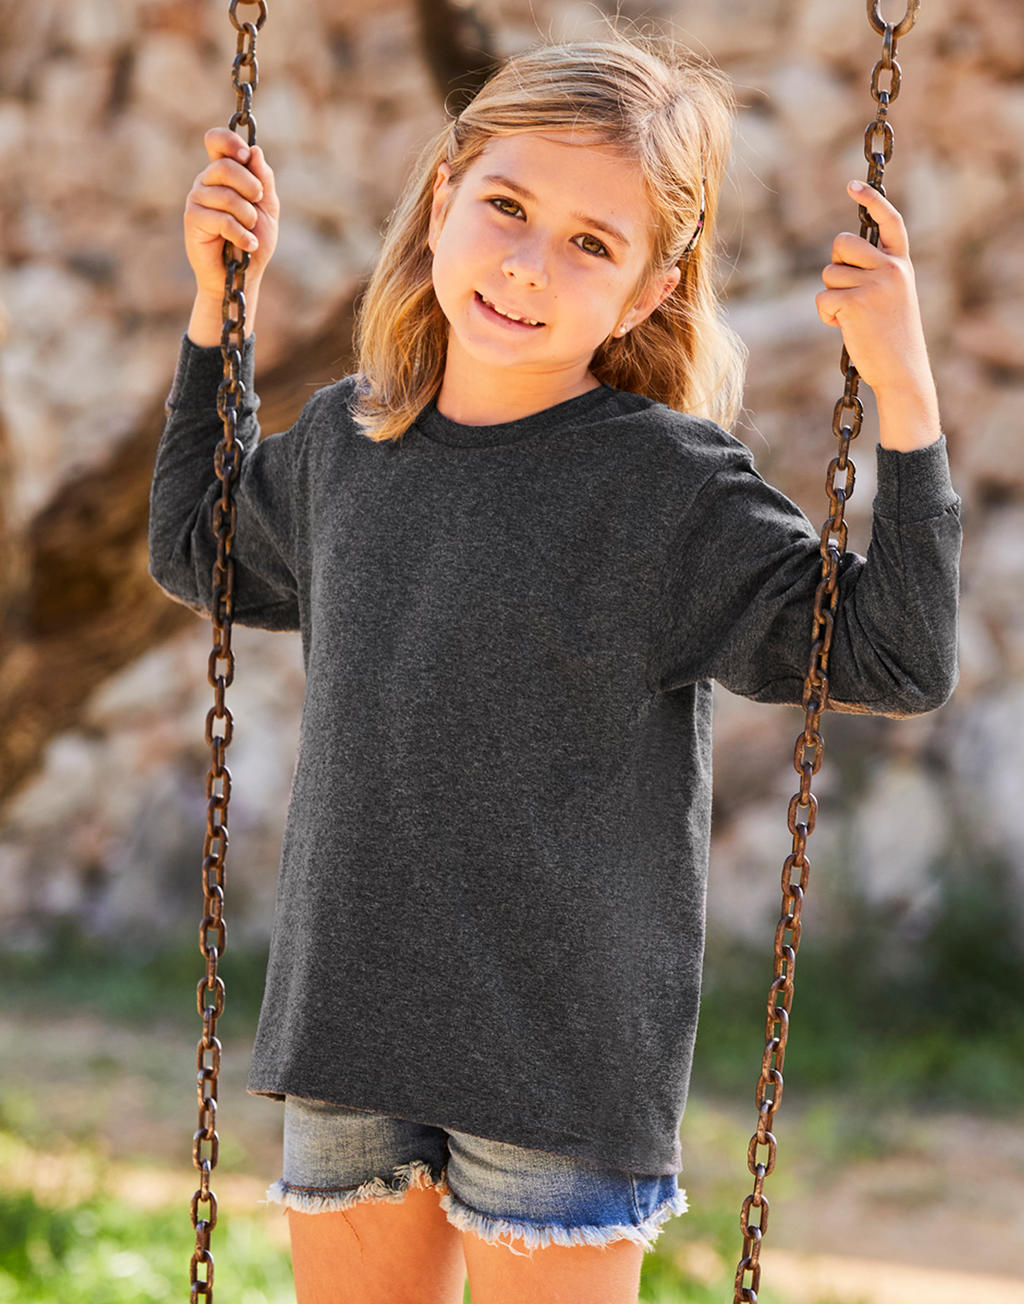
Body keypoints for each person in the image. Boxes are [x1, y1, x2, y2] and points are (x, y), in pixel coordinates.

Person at [147, 30, 961, 1304]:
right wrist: (217, 305)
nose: (528, 264)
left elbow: (894, 654)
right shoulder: (350, 442)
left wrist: (901, 389)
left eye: (591, 241)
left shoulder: (668, 491)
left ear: (647, 291)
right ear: (442, 200)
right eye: (507, 207)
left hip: (561, 1066)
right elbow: (197, 546)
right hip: (351, 1027)